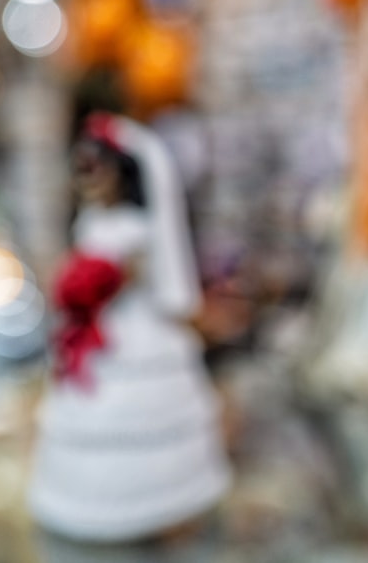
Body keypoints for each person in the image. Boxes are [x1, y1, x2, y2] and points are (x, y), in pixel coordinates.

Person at [28, 112, 231, 542]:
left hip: (132, 336)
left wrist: (103, 281)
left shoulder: (138, 230)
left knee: (147, 421)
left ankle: (162, 511)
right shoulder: (90, 223)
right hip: (97, 337)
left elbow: (149, 283)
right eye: (84, 170)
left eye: (98, 170)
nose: (91, 181)